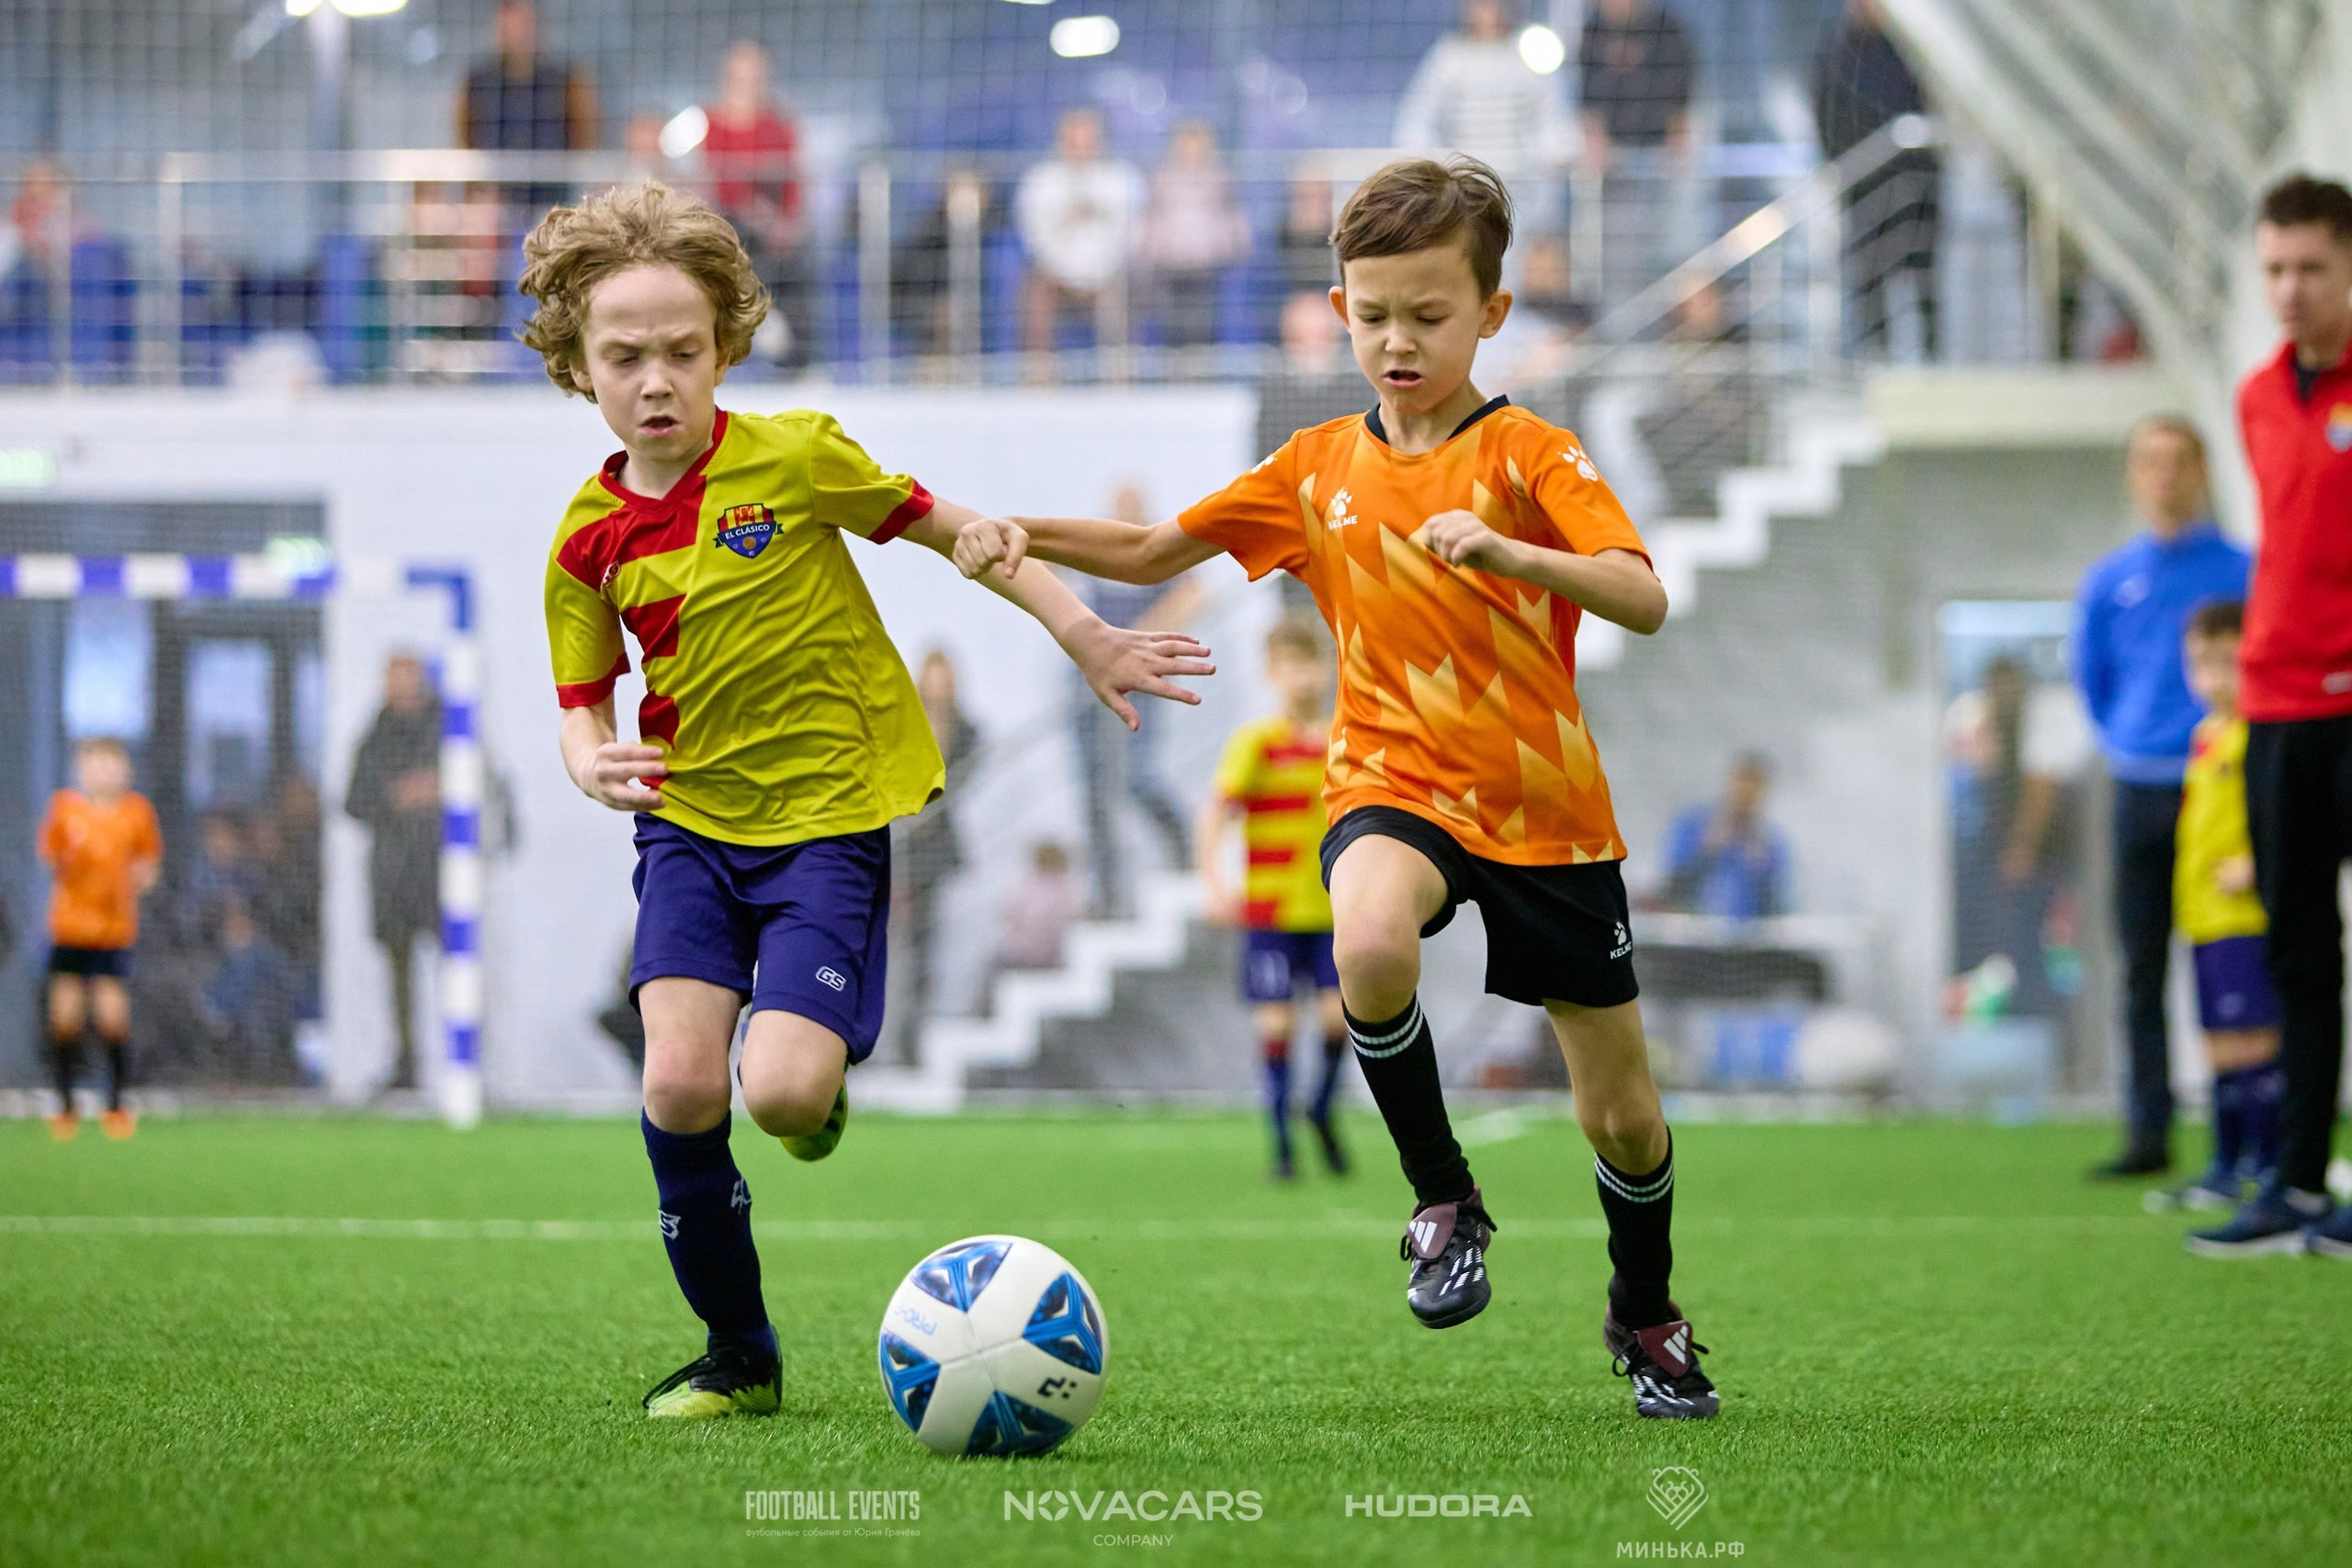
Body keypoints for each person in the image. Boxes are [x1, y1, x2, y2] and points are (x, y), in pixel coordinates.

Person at [956, 158, 1718, 1418]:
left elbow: (1641, 592)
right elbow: (1153, 551)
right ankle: (1444, 1195)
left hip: (1546, 813)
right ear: (1338, 308)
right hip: (1391, 778)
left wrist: (1512, 546)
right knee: (1365, 935)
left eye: (1428, 314)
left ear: (1493, 311)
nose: (1398, 341)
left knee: (1624, 1117)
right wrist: (1015, 531)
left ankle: (1645, 1309)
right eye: (1373, 316)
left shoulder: (1534, 450)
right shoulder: (1316, 465)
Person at [517, 180, 1209, 1417]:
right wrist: (586, 756)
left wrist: (1083, 632)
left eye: (685, 349)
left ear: (725, 344)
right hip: (687, 828)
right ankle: (742, 1352)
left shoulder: (794, 456)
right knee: (678, 1084)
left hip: (830, 823)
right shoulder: (584, 541)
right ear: (577, 366)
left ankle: (817, 1086)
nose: (659, 378)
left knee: (778, 1091)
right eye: (625, 356)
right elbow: (583, 700)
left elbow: (966, 535)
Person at [2190, 175, 2352, 1258]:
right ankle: (2296, 1185)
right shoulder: (2254, 397)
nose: (2288, 290)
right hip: (2277, 710)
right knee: (2298, 953)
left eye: (2310, 269)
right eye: (2275, 270)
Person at [2072, 415, 2250, 1179]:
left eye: (2177, 461)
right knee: (2142, 964)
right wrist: (2130, 740)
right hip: (2139, 788)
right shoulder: (2110, 582)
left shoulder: (2245, 570)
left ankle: (2247, 1134)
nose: (2164, 475)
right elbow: (2093, 681)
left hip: (2228, 789)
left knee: (2235, 955)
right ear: (2133, 474)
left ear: (2202, 470)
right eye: (2149, 461)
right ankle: (2150, 1132)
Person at [1201, 619, 1351, 1181]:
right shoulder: (1257, 742)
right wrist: (1214, 882)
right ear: (1271, 675)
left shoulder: (1344, 739)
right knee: (1278, 1026)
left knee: (1340, 1022)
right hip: (1268, 911)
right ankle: (1283, 1146)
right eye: (1287, 666)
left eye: (1307, 664)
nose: (1299, 677)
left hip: (1332, 910)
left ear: (1324, 670)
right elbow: (1216, 811)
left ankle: (1320, 1108)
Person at [2151, 604, 2284, 1217]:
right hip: (2202, 916)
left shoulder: (2259, 733)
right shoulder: (2207, 736)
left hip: (2244, 917)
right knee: (2217, 1041)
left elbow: (2284, 815)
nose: (2212, 675)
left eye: (2225, 661)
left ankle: (2271, 1160)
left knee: (2255, 1038)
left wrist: (2256, 862)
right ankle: (2227, 1163)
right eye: (2200, 662)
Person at [1069, 483, 1203, 915]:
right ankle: (1107, 894)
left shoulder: (1160, 556)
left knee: (1135, 776)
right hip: (1087, 691)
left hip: (1138, 683)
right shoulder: (1094, 553)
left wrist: (1131, 645)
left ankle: (1182, 844)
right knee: (1094, 793)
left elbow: (1193, 594)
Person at [38, 737, 162, 1141]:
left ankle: (116, 1105)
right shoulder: (65, 809)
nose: (103, 773)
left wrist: (139, 879)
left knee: (112, 1017)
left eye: (111, 765)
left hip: (113, 933)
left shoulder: (136, 813)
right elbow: (50, 855)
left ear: (126, 771)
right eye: (95, 765)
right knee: (65, 1018)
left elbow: (148, 863)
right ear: (81, 770)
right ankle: (65, 1107)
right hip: (70, 929)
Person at [1813, 0, 1939, 359]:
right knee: (1870, 284)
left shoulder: (1910, 52)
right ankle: (1874, 360)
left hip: (1915, 189)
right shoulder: (1837, 54)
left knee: (1923, 280)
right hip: (1864, 189)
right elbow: (1826, 113)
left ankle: (1931, 356)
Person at [344, 654, 442, 1095]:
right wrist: (397, 796)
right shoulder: (374, 736)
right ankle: (407, 1065)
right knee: (399, 975)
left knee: (458, 963)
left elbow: (485, 784)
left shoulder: (448, 729)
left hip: (444, 872)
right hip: (392, 876)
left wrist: (441, 789)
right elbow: (353, 801)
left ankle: (466, 1061)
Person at [1395, 0, 1571, 228]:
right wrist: (1436, 168)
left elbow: (1554, 118)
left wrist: (1551, 155)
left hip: (1522, 188)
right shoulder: (1448, 58)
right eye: (1481, 5)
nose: (1489, 12)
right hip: (1462, 189)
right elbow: (1417, 122)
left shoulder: (1532, 51)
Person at [1577, 0, 1698, 303]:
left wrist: (1676, 144)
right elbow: (1587, 97)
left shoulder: (1667, 29)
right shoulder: (1593, 31)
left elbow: (1681, 92)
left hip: (1661, 163)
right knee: (1619, 259)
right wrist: (1596, 144)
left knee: (1670, 251)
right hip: (1615, 168)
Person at [701, 41, 810, 370]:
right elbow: (712, 182)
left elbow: (794, 183)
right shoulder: (708, 124)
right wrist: (751, 211)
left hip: (773, 230)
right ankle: (761, 323)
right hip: (726, 224)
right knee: (739, 245)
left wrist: (785, 224)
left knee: (793, 263)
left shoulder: (780, 126)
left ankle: (795, 359)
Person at [1016, 108, 1145, 366]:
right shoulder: (1041, 181)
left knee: (1128, 291)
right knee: (1035, 294)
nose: (1081, 147)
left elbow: (1131, 233)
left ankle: (1120, 375)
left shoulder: (1119, 178)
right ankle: (1039, 375)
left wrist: (1105, 267)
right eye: (1074, 139)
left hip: (1107, 272)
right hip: (1056, 273)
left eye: (1087, 139)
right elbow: (1034, 238)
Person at [1139, 121, 1249, 352]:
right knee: (1172, 325)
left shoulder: (1220, 179)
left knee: (1202, 325)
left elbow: (1233, 222)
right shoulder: (1162, 178)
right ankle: (1175, 371)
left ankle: (1201, 370)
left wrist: (1223, 247)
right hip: (1169, 268)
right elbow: (1150, 221)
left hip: (1207, 268)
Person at [457, 2, 596, 156]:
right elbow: (464, 137)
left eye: (522, 23)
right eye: (508, 24)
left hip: (550, 174)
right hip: (496, 176)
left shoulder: (566, 82)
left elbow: (585, 136)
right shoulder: (478, 83)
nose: (516, 32)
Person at [1659, 753, 1788, 919]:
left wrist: (1761, 873)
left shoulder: (1772, 843)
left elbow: (1779, 911)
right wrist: (1708, 852)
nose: (1746, 792)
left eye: (1755, 785)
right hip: (1693, 933)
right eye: (1742, 781)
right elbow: (1670, 890)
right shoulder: (1692, 826)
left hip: (1749, 939)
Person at [993, 842, 1087, 975]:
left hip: (1026, 954)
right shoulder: (1069, 887)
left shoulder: (1023, 885)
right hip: (1048, 955)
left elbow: (1008, 914)